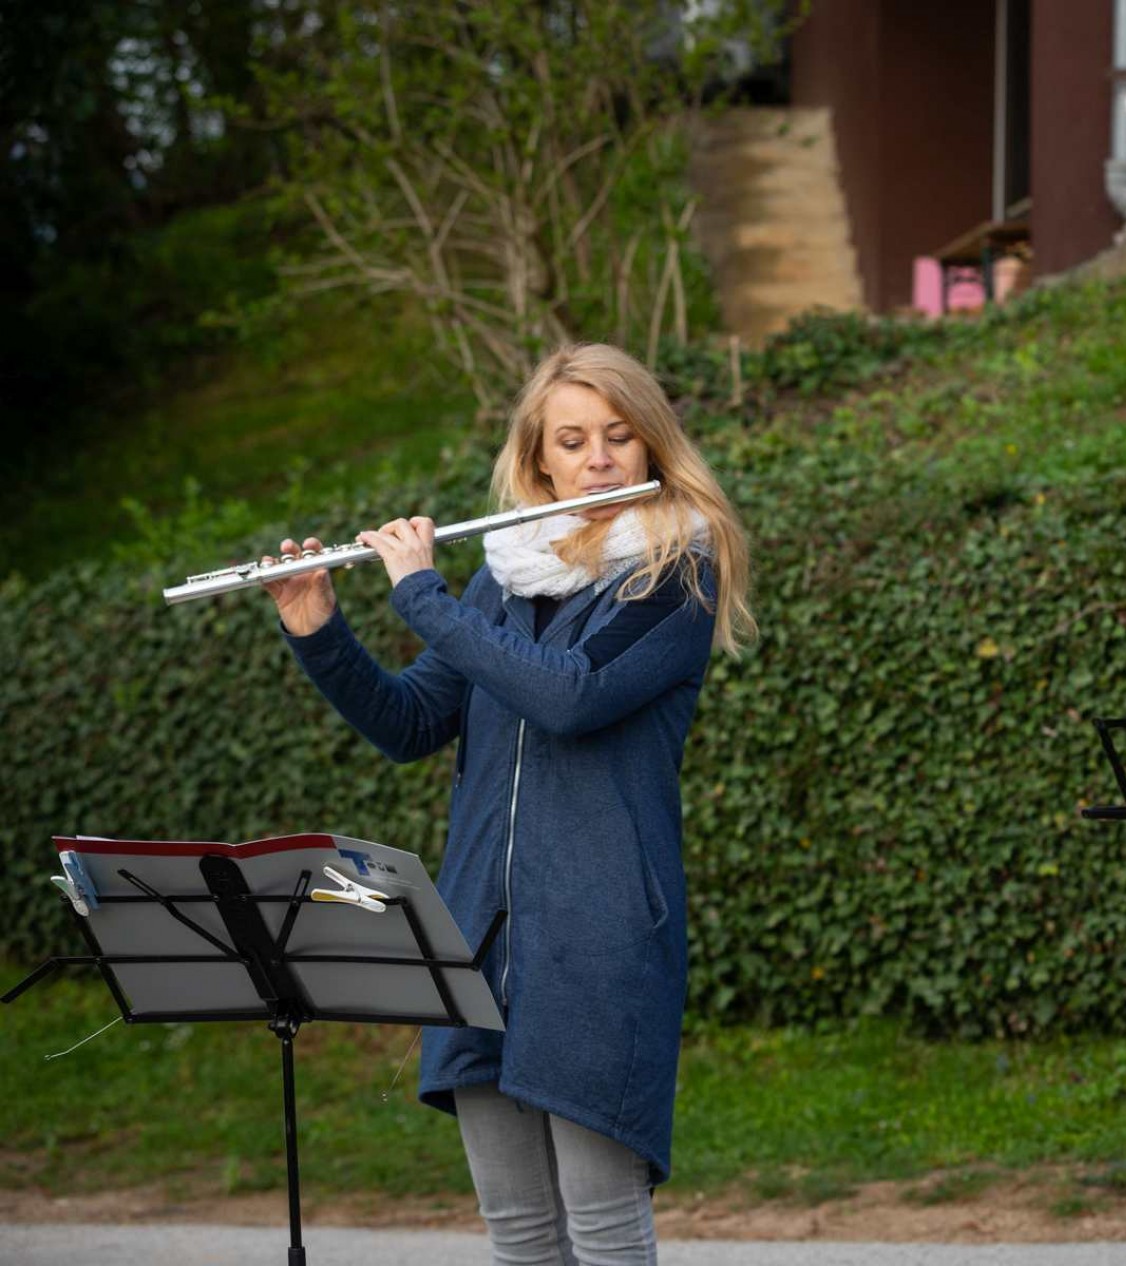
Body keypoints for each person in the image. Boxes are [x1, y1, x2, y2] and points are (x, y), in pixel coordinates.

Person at [263, 342, 753, 1265]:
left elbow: (570, 696)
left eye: (619, 436)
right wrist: (318, 631)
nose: (598, 459)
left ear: (652, 445)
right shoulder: (503, 579)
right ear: (540, 462)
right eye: (572, 441)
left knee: (604, 1226)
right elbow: (411, 722)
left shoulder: (676, 576)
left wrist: (421, 593)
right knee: (519, 1232)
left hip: (599, 937)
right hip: (479, 934)